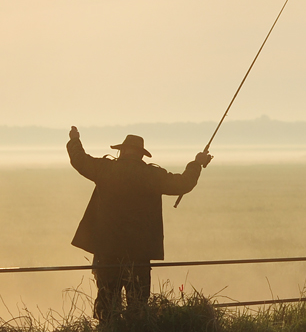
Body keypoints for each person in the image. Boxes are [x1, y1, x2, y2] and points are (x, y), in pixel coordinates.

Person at [67, 126, 212, 320]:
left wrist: (75, 139)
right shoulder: (153, 175)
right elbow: (184, 183)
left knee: (106, 306)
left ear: (123, 151)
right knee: (138, 307)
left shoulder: (106, 169)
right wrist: (196, 163)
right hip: (140, 253)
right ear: (141, 155)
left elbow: (79, 160)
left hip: (107, 251)